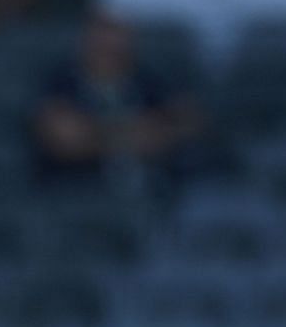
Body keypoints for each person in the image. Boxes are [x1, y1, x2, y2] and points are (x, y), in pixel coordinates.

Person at [31, 11, 204, 193]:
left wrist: (94, 135)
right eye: (101, 34)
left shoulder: (148, 79)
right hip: (78, 189)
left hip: (151, 190)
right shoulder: (61, 80)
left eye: (117, 35)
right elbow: (64, 138)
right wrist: (134, 135)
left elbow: (190, 122)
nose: (108, 44)